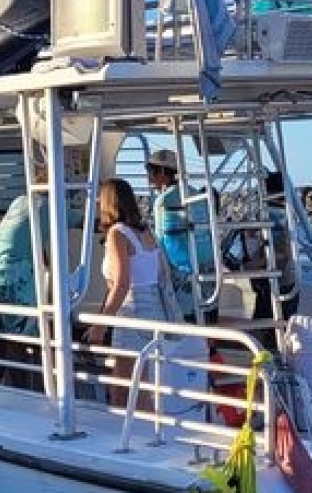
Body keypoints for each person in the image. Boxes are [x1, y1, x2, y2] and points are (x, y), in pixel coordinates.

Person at [0, 162, 80, 391]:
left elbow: (30, 238)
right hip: (15, 275)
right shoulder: (52, 206)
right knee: (19, 339)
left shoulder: (20, 202)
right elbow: (88, 222)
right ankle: (22, 395)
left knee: (0, 338)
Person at [83, 178, 176, 407]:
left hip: (132, 312)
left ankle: (127, 437)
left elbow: (122, 284)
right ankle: (145, 433)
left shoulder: (117, 234)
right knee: (140, 383)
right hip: (155, 311)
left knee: (123, 388)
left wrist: (99, 325)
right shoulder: (146, 232)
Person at [146, 149, 216, 323]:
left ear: (162, 172)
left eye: (152, 173)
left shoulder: (164, 200)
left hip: (182, 277)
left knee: (186, 329)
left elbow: (163, 242)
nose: (149, 179)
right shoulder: (198, 195)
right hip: (207, 271)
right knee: (208, 325)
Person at [241, 170, 299, 347]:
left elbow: (282, 254)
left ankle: (266, 364)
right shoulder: (284, 214)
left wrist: (252, 265)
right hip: (278, 280)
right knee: (272, 329)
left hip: (279, 282)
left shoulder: (278, 215)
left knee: (270, 331)